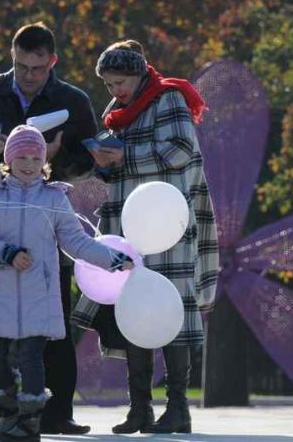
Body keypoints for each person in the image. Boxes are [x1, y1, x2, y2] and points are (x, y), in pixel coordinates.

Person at [0, 22, 98, 436]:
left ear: (52, 62)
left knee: (53, 322)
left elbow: (88, 162)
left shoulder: (73, 100)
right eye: (20, 66)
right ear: (11, 58)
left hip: (48, 230)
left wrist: (55, 158)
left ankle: (56, 413)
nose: (28, 75)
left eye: (36, 68)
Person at [71, 40, 219, 435]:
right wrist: (103, 165)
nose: (114, 90)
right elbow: (115, 168)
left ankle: (178, 408)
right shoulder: (116, 112)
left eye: (119, 81)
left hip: (166, 225)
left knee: (171, 312)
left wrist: (124, 156)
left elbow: (181, 151)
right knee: (136, 313)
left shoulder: (168, 99)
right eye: (107, 84)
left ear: (138, 74)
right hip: (128, 226)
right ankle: (140, 408)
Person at [0, 125, 133, 442]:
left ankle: (29, 422)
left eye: (35, 157)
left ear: (44, 162)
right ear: (9, 160)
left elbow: (77, 242)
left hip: (39, 293)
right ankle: (8, 409)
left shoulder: (54, 199)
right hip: (0, 292)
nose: (29, 164)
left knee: (31, 357)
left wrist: (112, 259)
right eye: (22, 158)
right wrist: (6, 253)